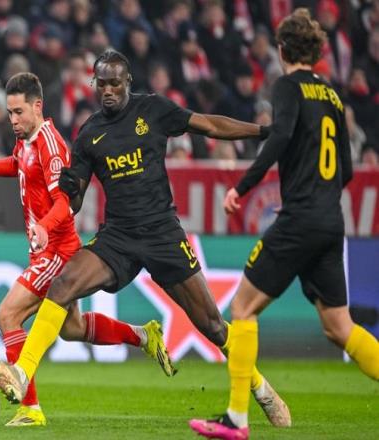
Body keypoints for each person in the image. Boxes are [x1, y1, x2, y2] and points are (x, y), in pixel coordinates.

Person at [0, 50, 292, 429]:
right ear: (94, 85)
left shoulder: (153, 110)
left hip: (162, 234)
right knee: (63, 284)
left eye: (115, 83)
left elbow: (208, 125)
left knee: (213, 326)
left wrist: (263, 132)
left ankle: (260, 387)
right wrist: (60, 207)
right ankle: (22, 373)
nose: (108, 90)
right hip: (118, 237)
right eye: (102, 84)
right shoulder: (89, 134)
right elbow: (73, 198)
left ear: (127, 82)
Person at [190, 9, 379, 440]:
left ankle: (236, 419)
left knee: (243, 309)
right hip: (330, 222)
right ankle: (236, 418)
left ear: (281, 50)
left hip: (301, 220)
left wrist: (242, 186)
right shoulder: (333, 96)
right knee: (340, 327)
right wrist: (315, 199)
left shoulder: (286, 87)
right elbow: (347, 169)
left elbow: (280, 137)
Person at [0, 72, 173, 427]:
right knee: (72, 328)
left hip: (57, 250)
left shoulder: (51, 146)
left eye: (19, 112)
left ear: (37, 106)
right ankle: (143, 335)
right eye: (9, 113)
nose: (13, 120)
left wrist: (44, 226)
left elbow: (65, 201)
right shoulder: (27, 140)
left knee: (8, 315)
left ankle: (29, 408)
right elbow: (19, 165)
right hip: (46, 248)